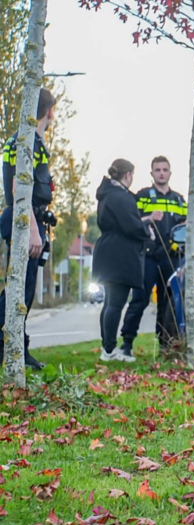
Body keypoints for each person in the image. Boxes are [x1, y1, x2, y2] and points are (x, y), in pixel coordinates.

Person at [0, 88, 56, 371]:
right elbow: (18, 188)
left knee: (22, 290)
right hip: (25, 220)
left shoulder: (24, 140)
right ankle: (11, 350)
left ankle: (18, 349)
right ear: (50, 112)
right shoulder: (27, 142)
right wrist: (33, 229)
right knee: (19, 291)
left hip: (27, 219)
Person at [92, 159, 162, 362]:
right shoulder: (121, 197)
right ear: (128, 175)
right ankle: (109, 350)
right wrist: (147, 231)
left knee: (109, 302)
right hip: (120, 255)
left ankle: (107, 347)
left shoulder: (107, 194)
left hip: (107, 251)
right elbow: (131, 225)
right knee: (115, 303)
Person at [131, 156, 186, 352]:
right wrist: (149, 217)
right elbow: (131, 221)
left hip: (171, 258)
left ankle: (165, 344)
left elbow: (185, 226)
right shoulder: (143, 196)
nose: (161, 173)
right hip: (148, 257)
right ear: (152, 173)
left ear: (170, 173)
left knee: (168, 303)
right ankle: (126, 343)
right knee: (140, 300)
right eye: (157, 170)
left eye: (164, 170)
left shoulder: (178, 199)